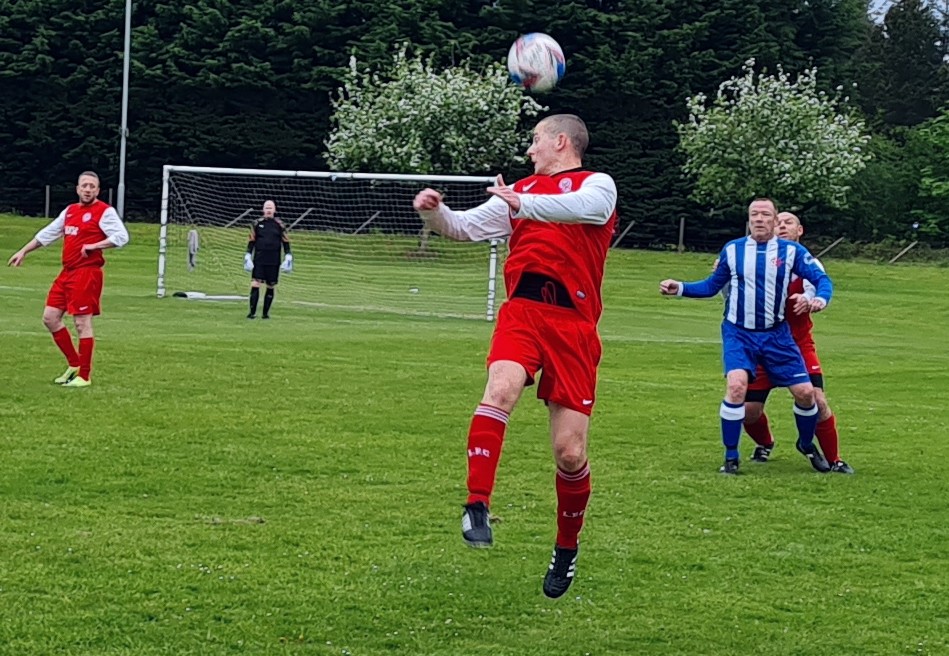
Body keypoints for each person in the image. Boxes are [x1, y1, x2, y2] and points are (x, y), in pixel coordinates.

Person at [412, 114, 617, 599]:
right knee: (500, 389)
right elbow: (464, 228)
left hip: (574, 326)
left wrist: (521, 201)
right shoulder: (519, 191)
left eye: (535, 140)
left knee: (570, 453)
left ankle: (566, 548)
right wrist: (434, 214)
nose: (530, 150)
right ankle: (476, 505)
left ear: (561, 141)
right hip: (523, 312)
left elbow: (576, 208)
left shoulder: (597, 185)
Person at [659, 198, 834, 475]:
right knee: (737, 388)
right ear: (748, 219)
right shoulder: (733, 250)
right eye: (754, 214)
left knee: (805, 394)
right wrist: (679, 287)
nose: (759, 219)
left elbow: (822, 280)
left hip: (777, 336)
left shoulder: (791, 252)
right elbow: (711, 286)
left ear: (774, 221)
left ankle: (805, 443)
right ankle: (731, 457)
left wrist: (819, 299)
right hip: (739, 333)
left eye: (766, 215)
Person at [743, 212, 853, 474]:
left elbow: (818, 286)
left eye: (788, 222)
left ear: (800, 230)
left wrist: (812, 300)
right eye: (776, 222)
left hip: (798, 345)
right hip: (761, 347)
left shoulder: (809, 263)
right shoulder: (753, 261)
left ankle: (833, 458)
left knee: (816, 399)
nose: (781, 225)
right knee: (748, 411)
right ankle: (765, 443)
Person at [7, 171, 129, 387]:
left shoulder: (104, 212)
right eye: (84, 186)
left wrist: (95, 245)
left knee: (82, 322)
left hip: (87, 273)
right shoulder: (70, 211)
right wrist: (23, 251)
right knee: (50, 317)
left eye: (92, 186)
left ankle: (85, 376)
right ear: (78, 188)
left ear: (98, 190)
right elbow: (48, 233)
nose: (88, 189)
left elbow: (122, 237)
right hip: (67, 273)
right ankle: (74, 364)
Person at [244, 200, 292, 319]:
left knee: (271, 285)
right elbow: (251, 240)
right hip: (259, 259)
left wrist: (288, 256)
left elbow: (286, 242)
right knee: (255, 284)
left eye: (271, 208)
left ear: (274, 210)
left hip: (274, 260)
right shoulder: (256, 224)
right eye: (267, 208)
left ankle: (265, 314)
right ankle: (252, 313)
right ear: (263, 209)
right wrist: (248, 255)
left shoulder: (280, 225)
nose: (269, 210)